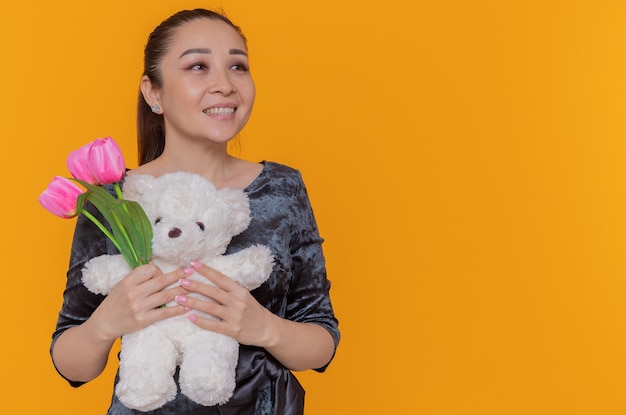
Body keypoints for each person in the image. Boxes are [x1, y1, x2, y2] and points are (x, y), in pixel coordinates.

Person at [50, 8, 340, 415]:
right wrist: (107, 323)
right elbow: (69, 361)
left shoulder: (283, 188)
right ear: (153, 92)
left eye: (237, 66)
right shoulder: (115, 199)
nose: (224, 84)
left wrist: (262, 326)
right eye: (198, 66)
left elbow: (322, 341)